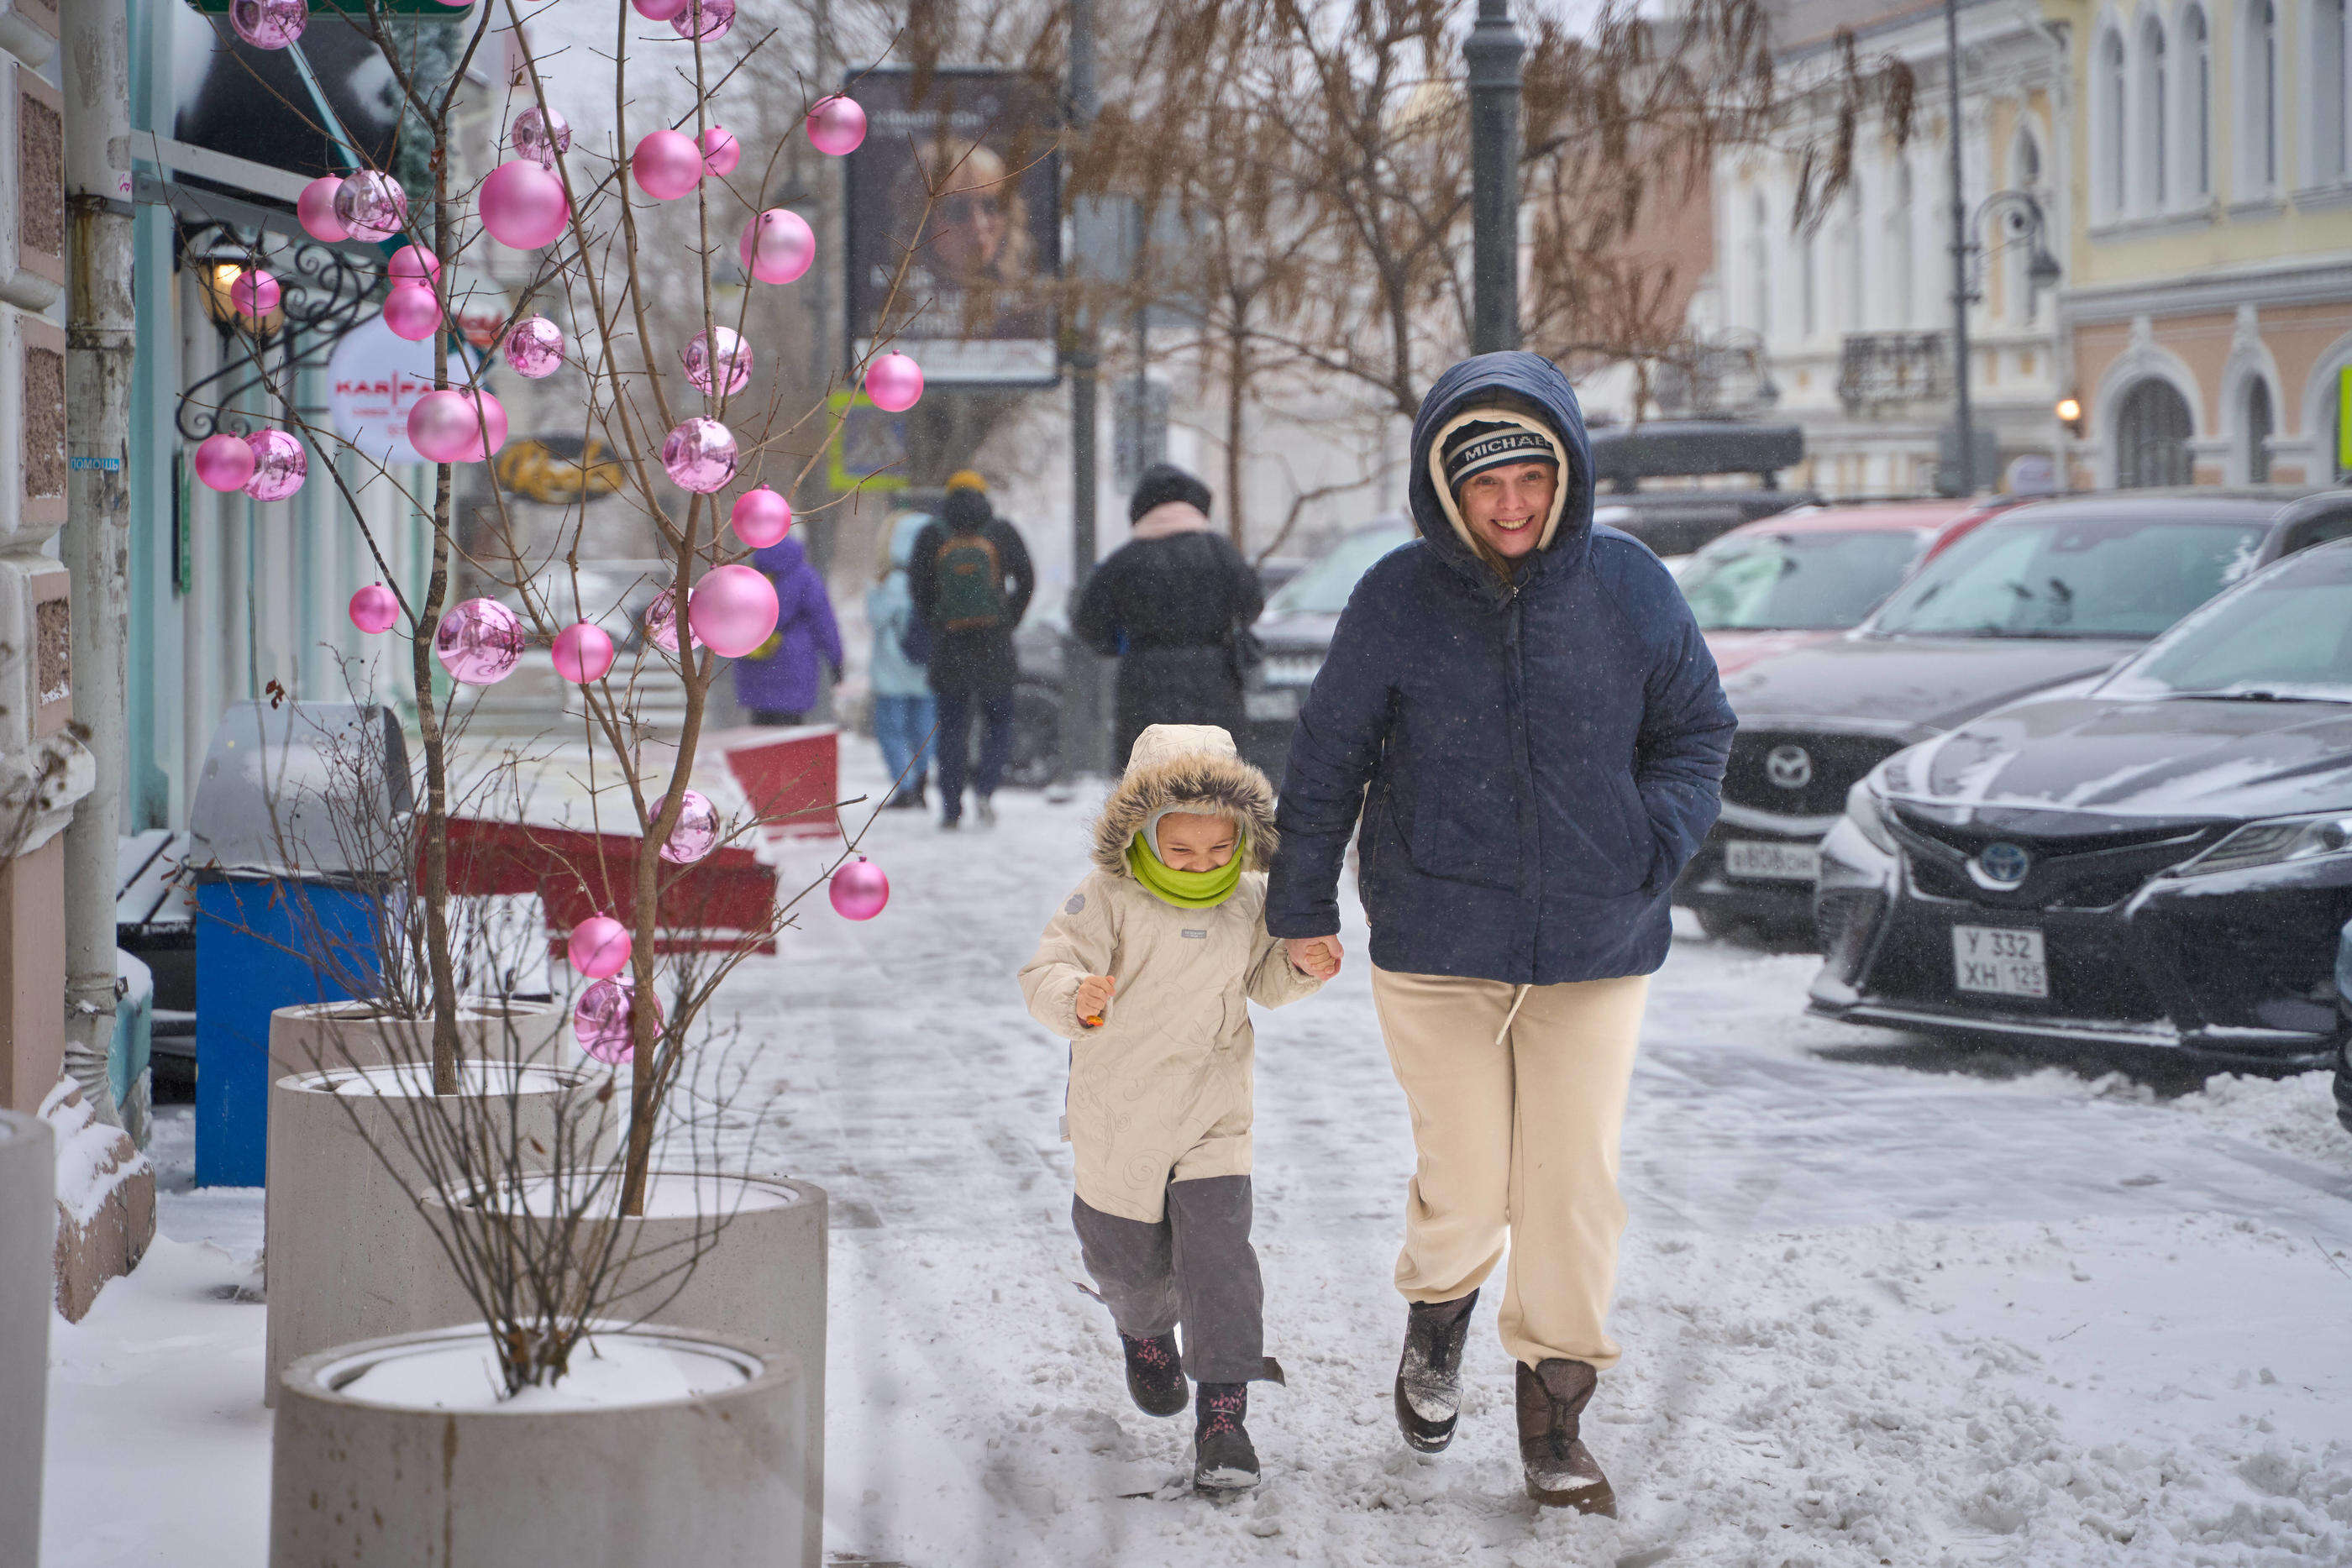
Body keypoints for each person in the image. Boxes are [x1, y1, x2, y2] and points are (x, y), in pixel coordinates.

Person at [1263, 351, 1734, 1514]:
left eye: (1531, 474)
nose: (1512, 502)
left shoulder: (1629, 586)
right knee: (1469, 1185)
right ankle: (1438, 1316)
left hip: (1597, 938)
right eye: (1486, 483)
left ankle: (1554, 1407)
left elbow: (1698, 729)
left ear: (1566, 471)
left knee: (1574, 1186)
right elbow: (1329, 757)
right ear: (1446, 487)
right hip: (1437, 938)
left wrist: (1649, 840)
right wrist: (1302, 907)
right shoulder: (1396, 597)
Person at [1017, 723, 1336, 1495]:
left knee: (1222, 1260)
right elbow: (1046, 968)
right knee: (1127, 1261)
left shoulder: (1252, 900)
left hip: (1212, 1110)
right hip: (1119, 1109)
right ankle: (1143, 1329)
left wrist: (1300, 963)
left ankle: (1223, 1418)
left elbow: (1265, 979)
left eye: (1220, 850)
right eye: (1183, 850)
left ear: (1242, 839)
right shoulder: (1106, 896)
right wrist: (1075, 995)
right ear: (1141, 832)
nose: (1203, 864)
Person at [1074, 462, 1266, 767]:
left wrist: (1121, 645)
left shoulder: (1124, 561)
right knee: (1215, 786)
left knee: (1150, 790)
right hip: (1214, 685)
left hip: (1145, 687)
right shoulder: (1220, 552)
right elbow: (1251, 604)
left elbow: (1088, 623)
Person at [909, 471, 1034, 829]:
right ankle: (986, 789)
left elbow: (918, 588)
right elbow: (1027, 579)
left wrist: (938, 620)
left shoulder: (932, 534)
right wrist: (1008, 617)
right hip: (994, 645)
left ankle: (951, 807)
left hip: (950, 646)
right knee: (998, 722)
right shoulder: (1001, 532)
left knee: (951, 727)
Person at [732, 530, 843, 726]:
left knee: (761, 737)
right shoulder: (805, 577)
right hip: (794, 663)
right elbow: (823, 622)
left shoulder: (750, 575)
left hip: (757, 661)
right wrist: (836, 660)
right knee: (790, 736)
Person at [866, 511, 937, 809]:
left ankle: (905, 786)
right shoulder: (933, 580)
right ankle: (920, 781)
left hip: (891, 672)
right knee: (923, 729)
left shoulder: (893, 582)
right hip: (924, 670)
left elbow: (877, 619)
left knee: (891, 729)